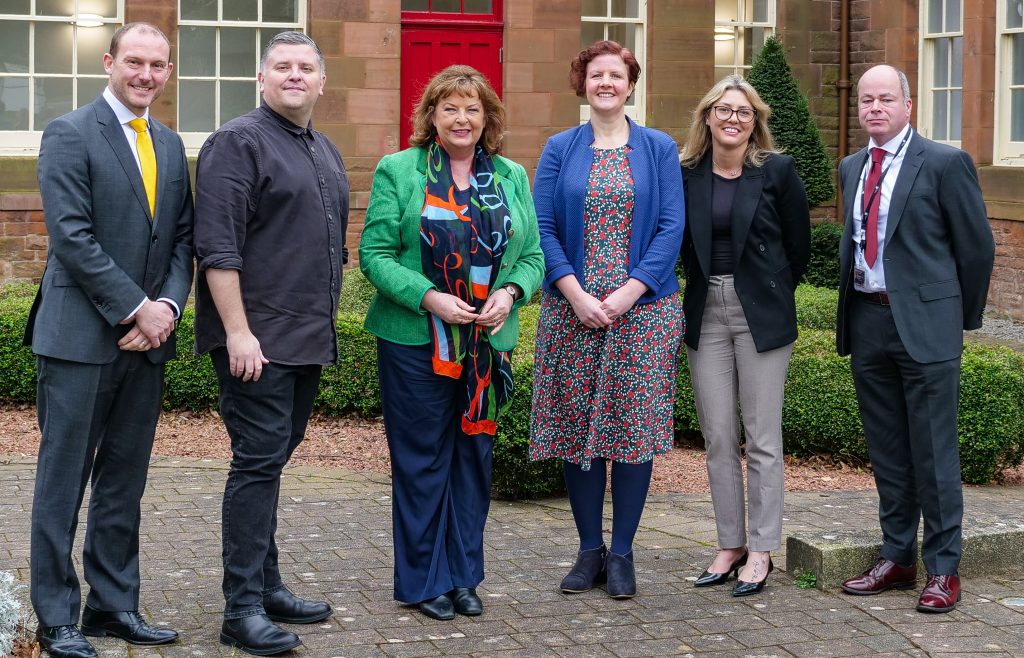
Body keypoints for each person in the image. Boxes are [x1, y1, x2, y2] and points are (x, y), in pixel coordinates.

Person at [24, 22, 193, 658]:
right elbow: (72, 238)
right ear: (109, 63)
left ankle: (113, 605)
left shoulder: (173, 146)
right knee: (61, 483)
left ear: (168, 71)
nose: (146, 74)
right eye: (135, 62)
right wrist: (135, 310)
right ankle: (57, 616)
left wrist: (168, 307)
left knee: (125, 481)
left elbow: (182, 240)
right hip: (78, 341)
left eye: (158, 65)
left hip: (147, 341)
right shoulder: (69, 133)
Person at [360, 64, 543, 621]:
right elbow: (375, 255)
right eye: (449, 108)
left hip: (488, 348)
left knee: (472, 460)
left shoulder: (511, 175)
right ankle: (422, 581)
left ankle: (464, 575)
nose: (461, 118)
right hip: (417, 342)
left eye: (472, 108)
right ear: (431, 117)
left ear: (487, 118)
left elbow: (533, 256)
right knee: (421, 462)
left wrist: (511, 292)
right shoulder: (400, 170)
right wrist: (429, 297)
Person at [193, 32, 348, 655]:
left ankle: (268, 582)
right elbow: (218, 247)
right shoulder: (237, 142)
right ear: (261, 79)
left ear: (321, 82)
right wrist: (237, 332)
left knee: (272, 462)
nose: (294, 75)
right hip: (257, 342)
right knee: (256, 465)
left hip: (307, 338)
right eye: (281, 66)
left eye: (305, 67)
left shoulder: (323, 148)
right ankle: (243, 609)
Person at [529, 40, 685, 600]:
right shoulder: (560, 148)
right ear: (583, 82)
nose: (606, 84)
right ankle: (587, 550)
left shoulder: (659, 148)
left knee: (632, 434)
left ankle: (622, 554)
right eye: (596, 75)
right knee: (579, 433)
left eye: (615, 75)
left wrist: (626, 295)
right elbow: (541, 226)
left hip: (642, 314)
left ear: (630, 83)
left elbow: (671, 226)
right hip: (573, 312)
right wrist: (573, 292)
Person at [836, 65, 994, 613]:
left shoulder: (946, 163)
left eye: (886, 99)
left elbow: (976, 251)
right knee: (888, 453)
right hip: (868, 322)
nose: (875, 108)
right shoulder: (852, 166)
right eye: (866, 100)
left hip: (928, 329)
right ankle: (898, 557)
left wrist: (956, 318)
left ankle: (944, 569)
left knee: (934, 454)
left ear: (908, 106)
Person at [679, 75, 810, 597]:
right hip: (705, 309)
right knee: (716, 435)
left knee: (762, 438)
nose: (734, 119)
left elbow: (798, 248)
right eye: (724, 110)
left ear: (755, 123)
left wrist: (769, 290)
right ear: (707, 116)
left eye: (745, 112)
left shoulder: (776, 171)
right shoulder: (687, 173)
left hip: (762, 314)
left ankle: (761, 549)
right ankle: (729, 544)